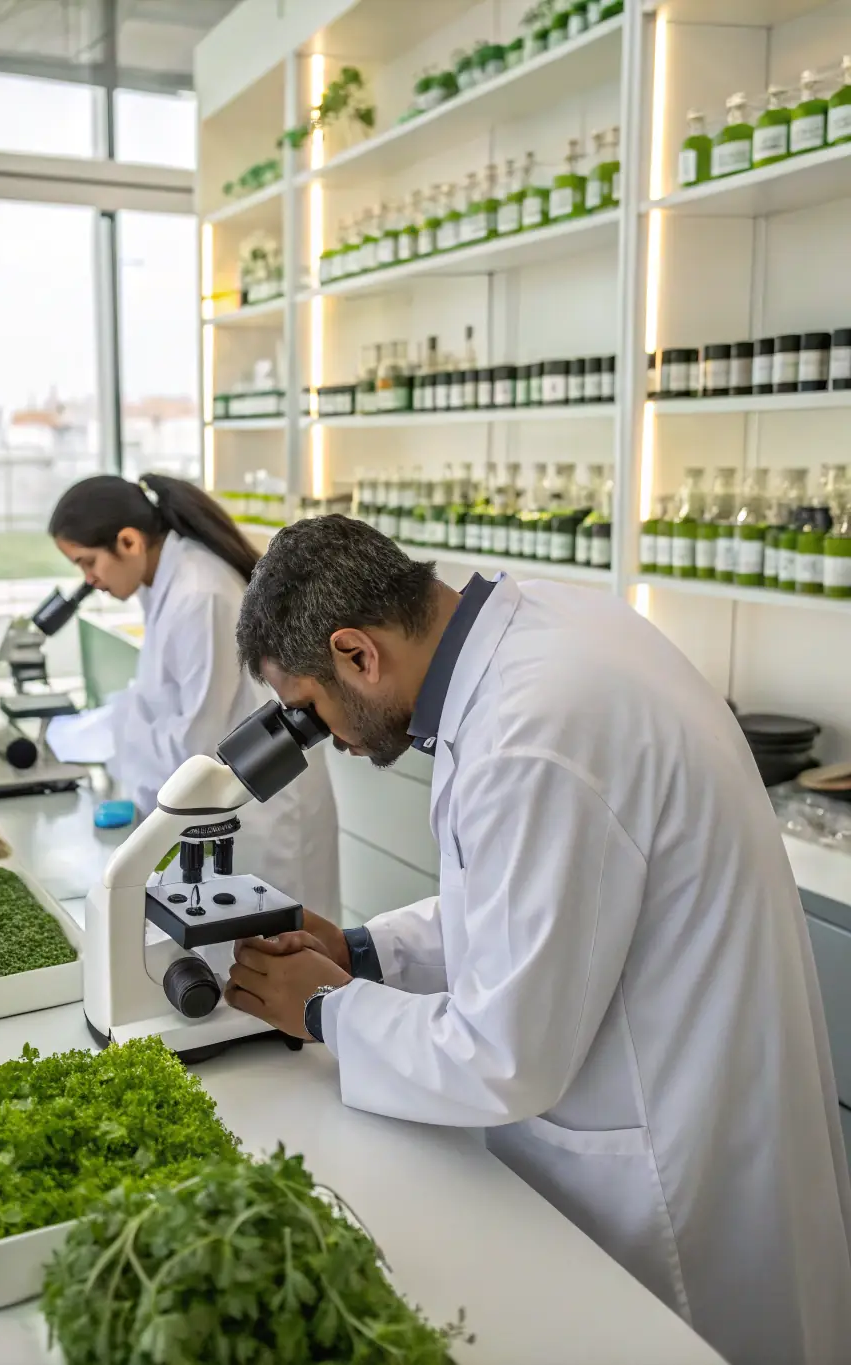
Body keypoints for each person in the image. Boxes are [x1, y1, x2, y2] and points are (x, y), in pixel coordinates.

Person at [224, 514, 851, 1365]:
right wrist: (365, 950)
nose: (328, 737)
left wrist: (327, 1010)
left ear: (357, 653)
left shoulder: (529, 733)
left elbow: (505, 1053)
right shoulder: (537, 631)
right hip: (682, 1063)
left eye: (310, 709)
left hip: (668, 1160)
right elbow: (522, 900)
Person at [48, 473, 340, 918]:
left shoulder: (198, 593)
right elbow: (163, 704)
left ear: (128, 542)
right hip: (234, 808)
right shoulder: (170, 583)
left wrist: (106, 736)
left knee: (284, 960)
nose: (88, 580)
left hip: (265, 815)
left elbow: (195, 744)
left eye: (88, 562)